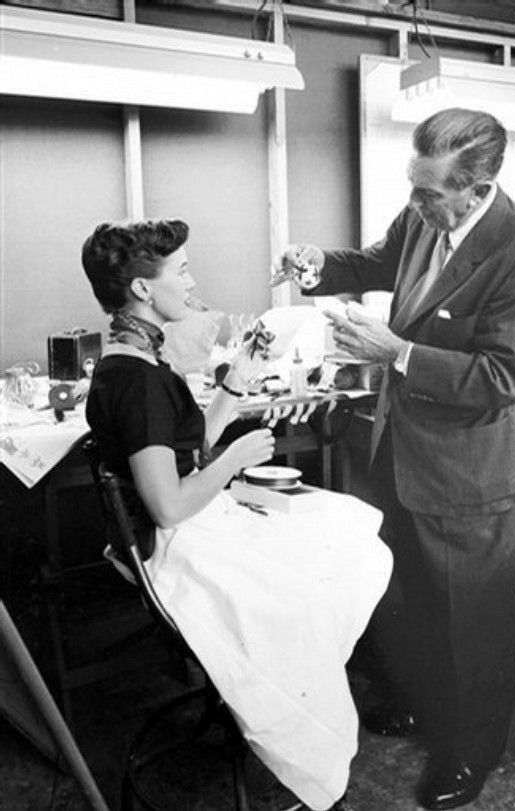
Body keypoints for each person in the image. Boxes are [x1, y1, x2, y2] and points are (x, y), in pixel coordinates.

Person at [274, 108, 515, 810]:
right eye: (412, 184)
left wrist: (398, 353)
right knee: (413, 603)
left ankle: (473, 751)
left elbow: (502, 377)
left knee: (473, 625)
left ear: (478, 188)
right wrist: (318, 263)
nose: (413, 201)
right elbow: (373, 261)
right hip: (404, 457)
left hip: (470, 475)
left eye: (429, 192)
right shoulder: (423, 217)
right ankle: (427, 706)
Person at [81, 218, 392, 811]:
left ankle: (294, 687)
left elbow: (184, 443)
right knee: (316, 578)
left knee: (347, 524)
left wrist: (239, 377)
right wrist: (235, 461)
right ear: (143, 289)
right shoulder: (137, 380)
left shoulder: (133, 356)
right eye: (181, 271)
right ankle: (291, 715)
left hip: (186, 529)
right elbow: (168, 505)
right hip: (177, 546)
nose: (192, 282)